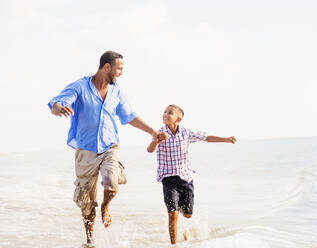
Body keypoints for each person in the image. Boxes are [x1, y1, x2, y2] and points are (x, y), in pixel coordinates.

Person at [48, 51, 165, 247]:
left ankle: (106, 206)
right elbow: (56, 103)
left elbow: (130, 116)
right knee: (86, 202)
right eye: (119, 69)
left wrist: (152, 132)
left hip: (110, 145)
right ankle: (90, 240)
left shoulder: (117, 92)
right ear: (107, 67)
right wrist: (59, 109)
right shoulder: (80, 86)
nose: (121, 73)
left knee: (111, 180)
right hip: (85, 149)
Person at [147, 104, 237, 245]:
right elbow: (150, 149)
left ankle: (180, 216)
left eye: (169, 112)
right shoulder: (159, 133)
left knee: (188, 214)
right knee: (172, 214)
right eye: (164, 112)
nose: (165, 114)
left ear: (179, 119)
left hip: (186, 178)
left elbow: (206, 138)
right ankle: (174, 244)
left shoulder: (185, 133)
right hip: (168, 178)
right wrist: (157, 140)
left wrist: (225, 139)